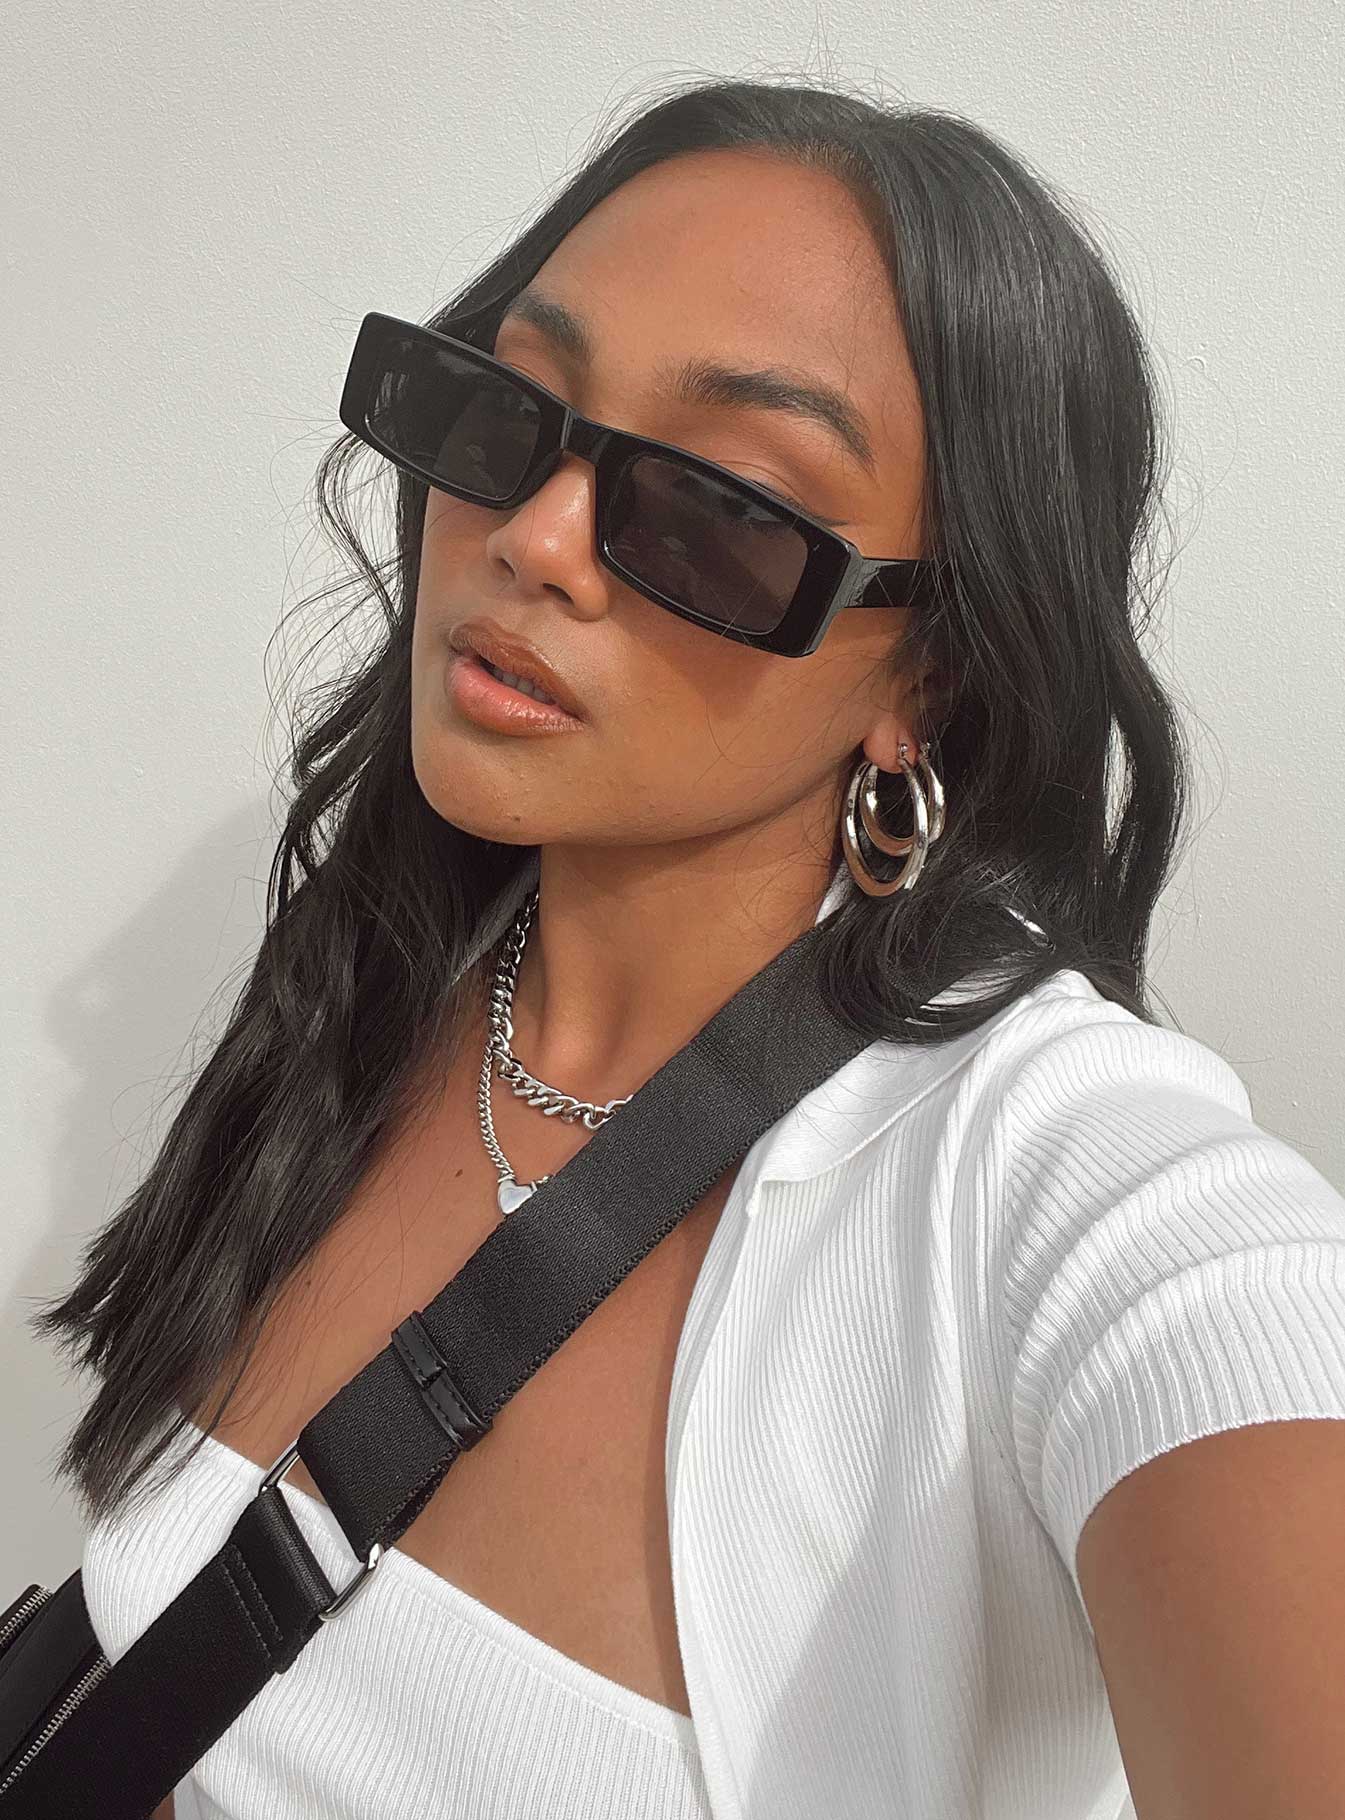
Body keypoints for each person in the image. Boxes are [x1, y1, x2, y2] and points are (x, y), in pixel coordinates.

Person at [34, 77, 1345, 1820]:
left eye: (720, 508)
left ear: (928, 673)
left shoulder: (1053, 1187)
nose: (534, 540)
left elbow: (1226, 1328)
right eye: (511, 411)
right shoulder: (386, 989)